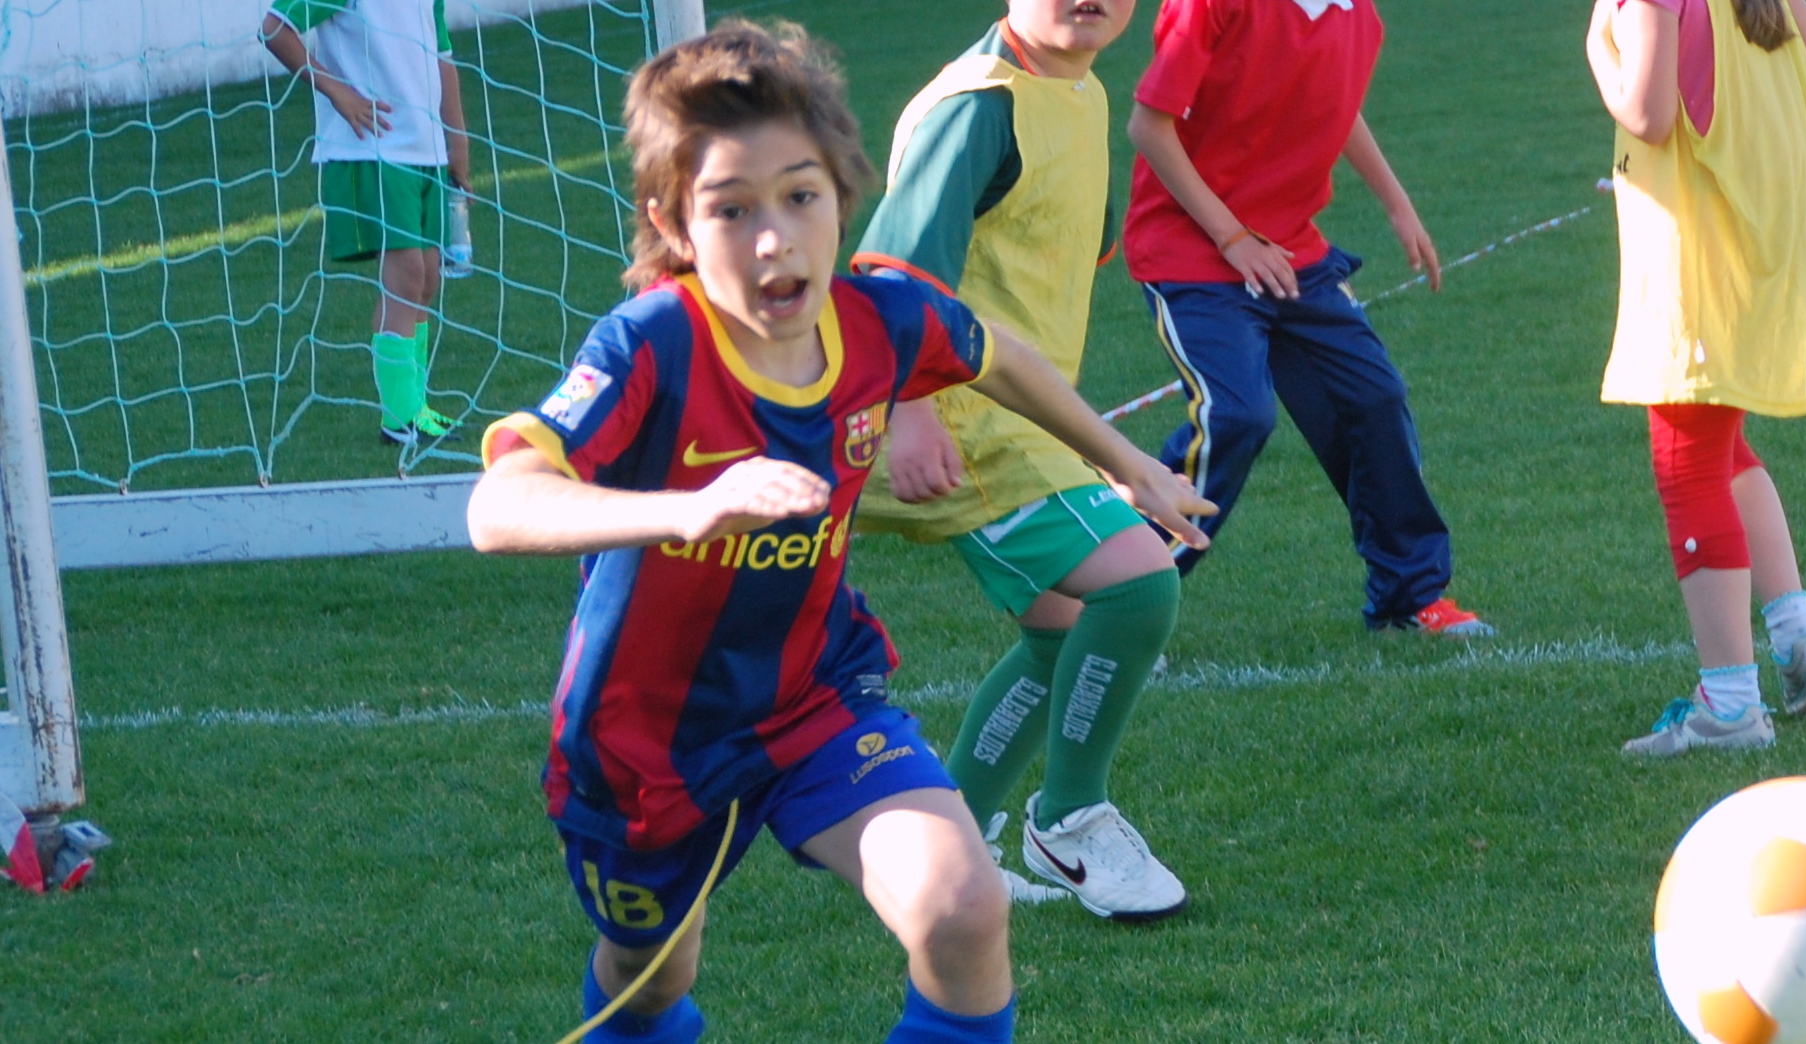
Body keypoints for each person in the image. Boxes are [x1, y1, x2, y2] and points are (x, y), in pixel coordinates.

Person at [465, 22, 1211, 1041]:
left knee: (961, 906)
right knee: (652, 976)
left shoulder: (880, 319)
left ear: (842, 197)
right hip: (647, 740)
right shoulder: (651, 344)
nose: (775, 238)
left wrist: (1127, 464)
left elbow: (998, 355)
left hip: (810, 698)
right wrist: (689, 509)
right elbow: (499, 504)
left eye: (800, 196)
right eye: (731, 209)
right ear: (674, 224)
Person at [849, 0, 1189, 921]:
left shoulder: (1076, 92)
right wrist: (912, 411)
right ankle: (1069, 817)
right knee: (1138, 584)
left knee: (1059, 630)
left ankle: (950, 844)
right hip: (958, 411)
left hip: (1019, 411)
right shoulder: (977, 106)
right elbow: (887, 280)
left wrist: (1087, 445)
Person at [1122, 0, 1495, 636]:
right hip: (1192, 253)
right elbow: (1148, 126)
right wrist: (1233, 237)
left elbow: (1334, 106)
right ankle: (1123, 601)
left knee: (1374, 401)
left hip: (1291, 252)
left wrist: (1398, 204)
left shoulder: (1358, 16)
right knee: (1236, 415)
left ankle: (1408, 597)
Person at [1588, 0, 1806, 756]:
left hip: (1701, 262)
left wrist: (1598, 52)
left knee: (1685, 466)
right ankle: (1799, 637)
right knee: (1723, 452)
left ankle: (1731, 703)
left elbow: (1644, 115)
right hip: (1762, 249)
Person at [260, 0, 469, 445]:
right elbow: (276, 29)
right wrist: (339, 93)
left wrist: (458, 142)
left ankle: (416, 407)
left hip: (424, 149)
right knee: (408, 272)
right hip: (371, 146)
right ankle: (398, 419)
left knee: (428, 277)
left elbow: (441, 58)